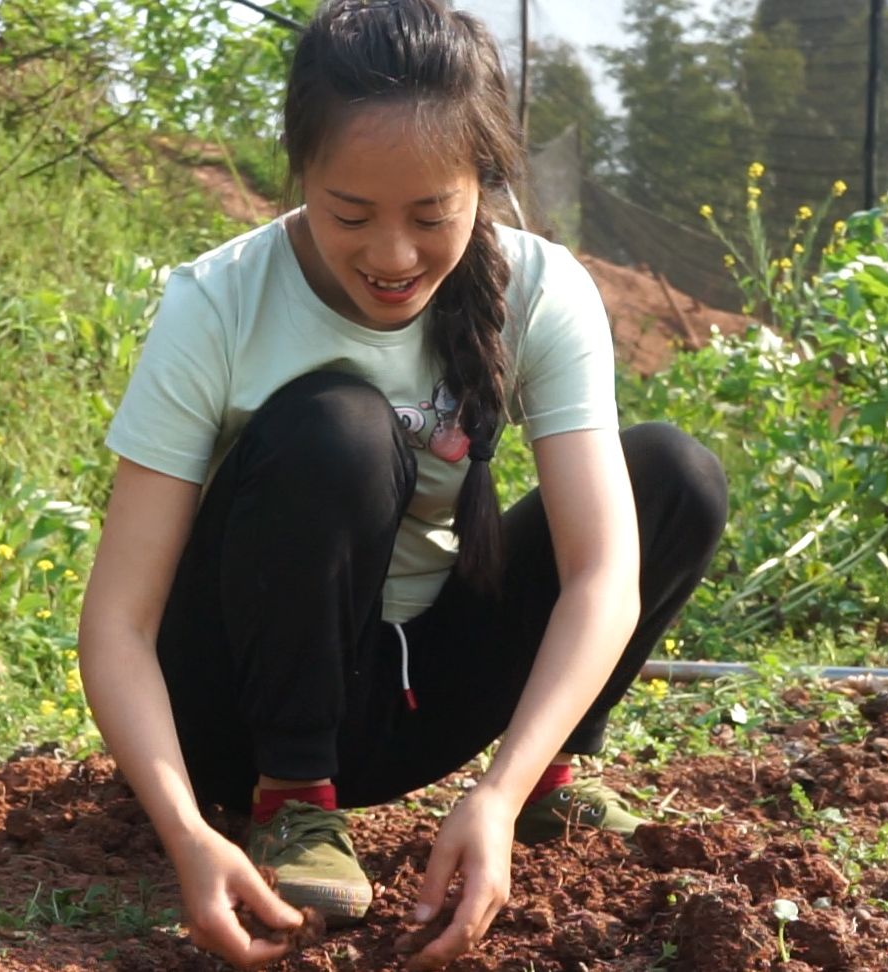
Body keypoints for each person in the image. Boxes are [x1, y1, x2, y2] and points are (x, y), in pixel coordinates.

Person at [77, 1, 728, 968]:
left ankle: (550, 773)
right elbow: (119, 621)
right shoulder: (219, 301)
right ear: (299, 175)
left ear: (485, 182)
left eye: (433, 215)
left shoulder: (545, 294)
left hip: (424, 700)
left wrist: (496, 793)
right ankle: (291, 803)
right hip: (243, 713)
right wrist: (182, 829)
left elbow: (600, 573)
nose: (392, 256)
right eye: (350, 213)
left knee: (673, 474)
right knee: (338, 425)